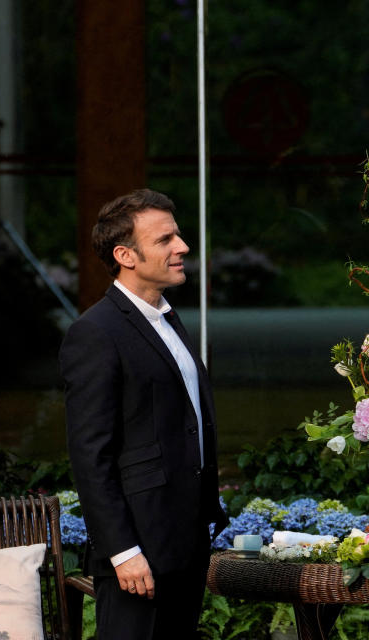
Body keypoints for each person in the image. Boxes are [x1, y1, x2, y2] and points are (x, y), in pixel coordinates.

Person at [60, 189, 229, 639]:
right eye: (165, 240)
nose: (183, 248)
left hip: (185, 541)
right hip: (139, 549)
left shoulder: (169, 318)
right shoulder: (94, 333)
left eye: (178, 236)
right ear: (125, 255)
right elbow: (89, 455)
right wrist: (121, 550)